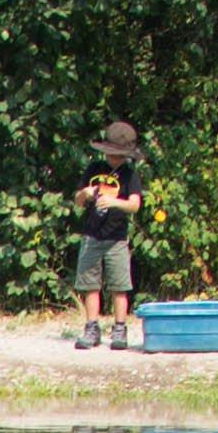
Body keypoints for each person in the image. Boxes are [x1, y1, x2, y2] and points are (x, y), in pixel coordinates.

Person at [69, 120, 146, 350]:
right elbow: (78, 200)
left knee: (119, 285)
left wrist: (114, 202)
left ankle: (120, 328)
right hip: (92, 235)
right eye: (111, 154)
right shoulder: (94, 169)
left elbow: (134, 205)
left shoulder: (129, 175)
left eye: (119, 155)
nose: (114, 159)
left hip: (117, 238)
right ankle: (92, 327)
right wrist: (86, 192)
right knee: (90, 283)